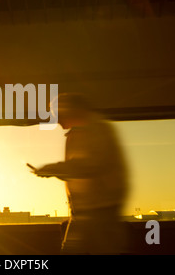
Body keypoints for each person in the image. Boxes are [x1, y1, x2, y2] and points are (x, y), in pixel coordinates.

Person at [31, 93, 129, 254]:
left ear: (69, 111)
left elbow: (90, 165)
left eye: (57, 115)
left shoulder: (95, 130)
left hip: (99, 213)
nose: (56, 120)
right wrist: (54, 170)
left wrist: (53, 169)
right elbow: (81, 169)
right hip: (85, 212)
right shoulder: (83, 131)